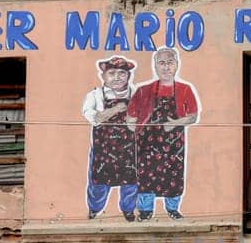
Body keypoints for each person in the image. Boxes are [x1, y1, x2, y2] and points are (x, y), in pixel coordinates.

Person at [126, 46, 200, 220]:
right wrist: (138, 134)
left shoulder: (185, 89)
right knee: (146, 177)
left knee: (173, 175)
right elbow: (130, 117)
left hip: (174, 145)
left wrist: (174, 123)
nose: (166, 67)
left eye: (170, 63)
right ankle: (145, 211)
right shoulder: (143, 90)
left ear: (177, 64)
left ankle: (172, 209)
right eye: (161, 63)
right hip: (147, 145)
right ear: (155, 66)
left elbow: (192, 117)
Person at [82, 54, 140, 221]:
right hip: (103, 150)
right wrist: (115, 109)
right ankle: (94, 209)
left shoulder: (137, 93)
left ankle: (128, 211)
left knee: (130, 183)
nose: (117, 77)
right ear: (103, 76)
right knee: (98, 184)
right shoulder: (95, 95)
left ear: (128, 76)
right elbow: (94, 117)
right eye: (112, 73)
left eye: (122, 73)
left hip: (130, 149)